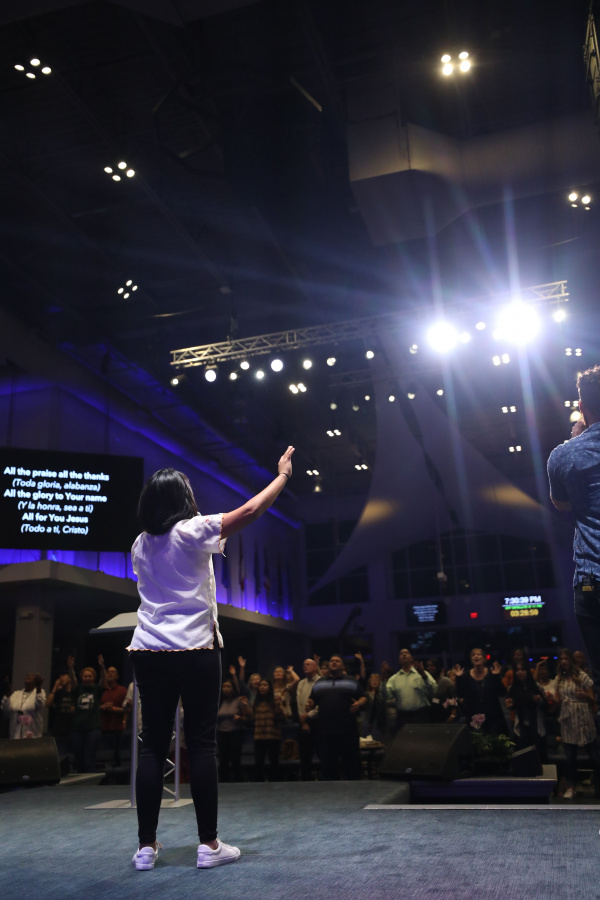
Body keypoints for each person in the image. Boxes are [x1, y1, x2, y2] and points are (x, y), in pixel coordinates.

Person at [127, 446, 294, 871]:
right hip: (195, 648)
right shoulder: (193, 530)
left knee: (152, 746)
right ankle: (209, 845)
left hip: (147, 649)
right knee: (201, 743)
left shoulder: (140, 544)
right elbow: (251, 511)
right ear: (181, 499)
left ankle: (145, 848)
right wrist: (282, 476)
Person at [547, 365, 600, 699]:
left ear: (582, 406)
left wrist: (577, 439)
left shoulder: (564, 455)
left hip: (593, 579)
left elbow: (562, 504)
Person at [308, 654, 366, 780]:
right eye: (332, 661)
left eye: (337, 661)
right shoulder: (320, 682)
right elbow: (313, 699)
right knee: (328, 768)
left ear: (342, 665)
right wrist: (309, 704)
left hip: (348, 732)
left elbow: (363, 696)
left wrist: (359, 703)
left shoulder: (351, 680)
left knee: (352, 767)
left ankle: (354, 790)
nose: (334, 662)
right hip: (326, 732)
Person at [551, 648, 599, 799]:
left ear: (571, 660)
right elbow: (558, 700)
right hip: (568, 720)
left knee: (594, 756)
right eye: (562, 659)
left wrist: (585, 695)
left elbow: (593, 699)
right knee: (570, 756)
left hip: (583, 717)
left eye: (566, 658)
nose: (564, 661)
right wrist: (550, 699)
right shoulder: (559, 679)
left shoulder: (582, 676)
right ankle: (571, 787)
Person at [452, 648, 506, 735]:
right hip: (474, 715)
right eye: (473, 655)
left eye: (478, 654)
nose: (476, 656)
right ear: (471, 660)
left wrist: (496, 677)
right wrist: (459, 678)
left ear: (484, 658)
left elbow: (502, 692)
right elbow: (461, 694)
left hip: (492, 715)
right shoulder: (466, 675)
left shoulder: (491, 672)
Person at [385, 649, 437, 730]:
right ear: (399, 660)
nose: (404, 654)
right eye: (401, 653)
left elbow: (434, 690)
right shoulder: (394, 679)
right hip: (402, 718)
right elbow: (386, 696)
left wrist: (423, 675)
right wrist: (383, 678)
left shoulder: (421, 673)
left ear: (412, 659)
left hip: (420, 716)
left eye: (406, 653)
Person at [505, 662, 547, 760]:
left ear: (527, 671)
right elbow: (512, 704)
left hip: (535, 723)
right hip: (520, 724)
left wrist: (539, 700)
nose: (520, 672)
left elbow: (545, 705)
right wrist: (510, 705)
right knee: (522, 753)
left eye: (522, 670)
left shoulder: (536, 686)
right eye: (517, 670)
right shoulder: (512, 688)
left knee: (538, 754)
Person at [248, 678, 284, 782]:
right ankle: (259, 783)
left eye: (265, 685)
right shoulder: (256, 702)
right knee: (259, 762)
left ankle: (275, 782)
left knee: (274, 761)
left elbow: (281, 718)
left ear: (269, 687)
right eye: (260, 685)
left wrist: (277, 706)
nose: (262, 687)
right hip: (259, 736)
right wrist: (246, 708)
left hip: (272, 735)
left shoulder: (274, 701)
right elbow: (251, 718)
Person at [69, 661, 103, 773]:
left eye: (90, 676)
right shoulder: (78, 689)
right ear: (82, 677)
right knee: (78, 759)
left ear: (93, 677)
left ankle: (90, 782)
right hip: (77, 729)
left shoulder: (97, 689)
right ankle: (80, 781)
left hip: (93, 729)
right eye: (85, 676)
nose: (87, 678)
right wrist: (71, 668)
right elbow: (73, 679)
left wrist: (102, 667)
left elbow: (103, 681)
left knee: (88, 759)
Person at [294, 658, 321, 780]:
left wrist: (309, 715)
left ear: (315, 667)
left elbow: (322, 703)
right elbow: (299, 703)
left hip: (319, 722)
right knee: (305, 757)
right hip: (304, 722)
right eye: (304, 664)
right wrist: (304, 721)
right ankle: (306, 783)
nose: (305, 666)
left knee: (322, 754)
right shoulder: (301, 683)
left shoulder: (321, 681)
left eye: (308, 664)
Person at [216, 680, 247, 782]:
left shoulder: (238, 701)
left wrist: (240, 718)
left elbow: (248, 717)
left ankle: (237, 779)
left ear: (233, 688)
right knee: (223, 757)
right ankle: (224, 779)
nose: (226, 689)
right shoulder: (220, 702)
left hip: (235, 732)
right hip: (222, 732)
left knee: (235, 757)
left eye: (228, 686)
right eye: (224, 687)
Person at [99, 658, 128, 767]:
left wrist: (114, 709)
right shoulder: (101, 689)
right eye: (108, 671)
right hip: (101, 726)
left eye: (113, 672)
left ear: (117, 676)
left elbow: (127, 709)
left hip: (117, 726)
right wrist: (102, 707)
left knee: (116, 754)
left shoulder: (122, 690)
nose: (110, 673)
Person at [1, 672, 46, 738]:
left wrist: (38, 687)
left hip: (32, 736)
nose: (28, 676)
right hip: (15, 737)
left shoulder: (39, 692)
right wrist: (7, 694)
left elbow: (39, 705)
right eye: (27, 675)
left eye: (32, 675)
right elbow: (6, 710)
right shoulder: (16, 694)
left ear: (36, 680)